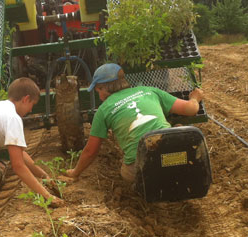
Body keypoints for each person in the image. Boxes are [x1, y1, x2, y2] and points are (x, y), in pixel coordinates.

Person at [66, 63, 204, 183]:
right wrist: (195, 97)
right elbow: (190, 109)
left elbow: (90, 151)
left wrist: (75, 173)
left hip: (141, 167)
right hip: (169, 155)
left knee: (125, 174)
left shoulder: (103, 110)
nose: (99, 96)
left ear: (103, 88)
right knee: (177, 130)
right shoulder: (149, 91)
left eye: (97, 91)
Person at [0, 77, 63, 206]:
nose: (31, 110)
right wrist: (47, 197)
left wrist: (45, 177)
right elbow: (18, 166)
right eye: (32, 105)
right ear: (25, 99)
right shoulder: (13, 117)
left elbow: (21, 154)